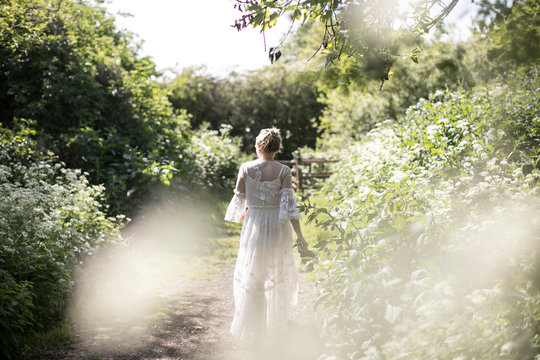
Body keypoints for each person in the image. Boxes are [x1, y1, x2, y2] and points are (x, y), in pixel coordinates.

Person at [224, 127, 308, 340]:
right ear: (277, 148)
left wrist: (251, 212)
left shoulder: (245, 168)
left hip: (254, 224)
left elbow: (239, 200)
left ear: (258, 146)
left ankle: (255, 323)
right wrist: (300, 236)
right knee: (275, 271)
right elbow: (289, 207)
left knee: (253, 272)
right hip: (277, 225)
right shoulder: (283, 171)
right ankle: (274, 325)